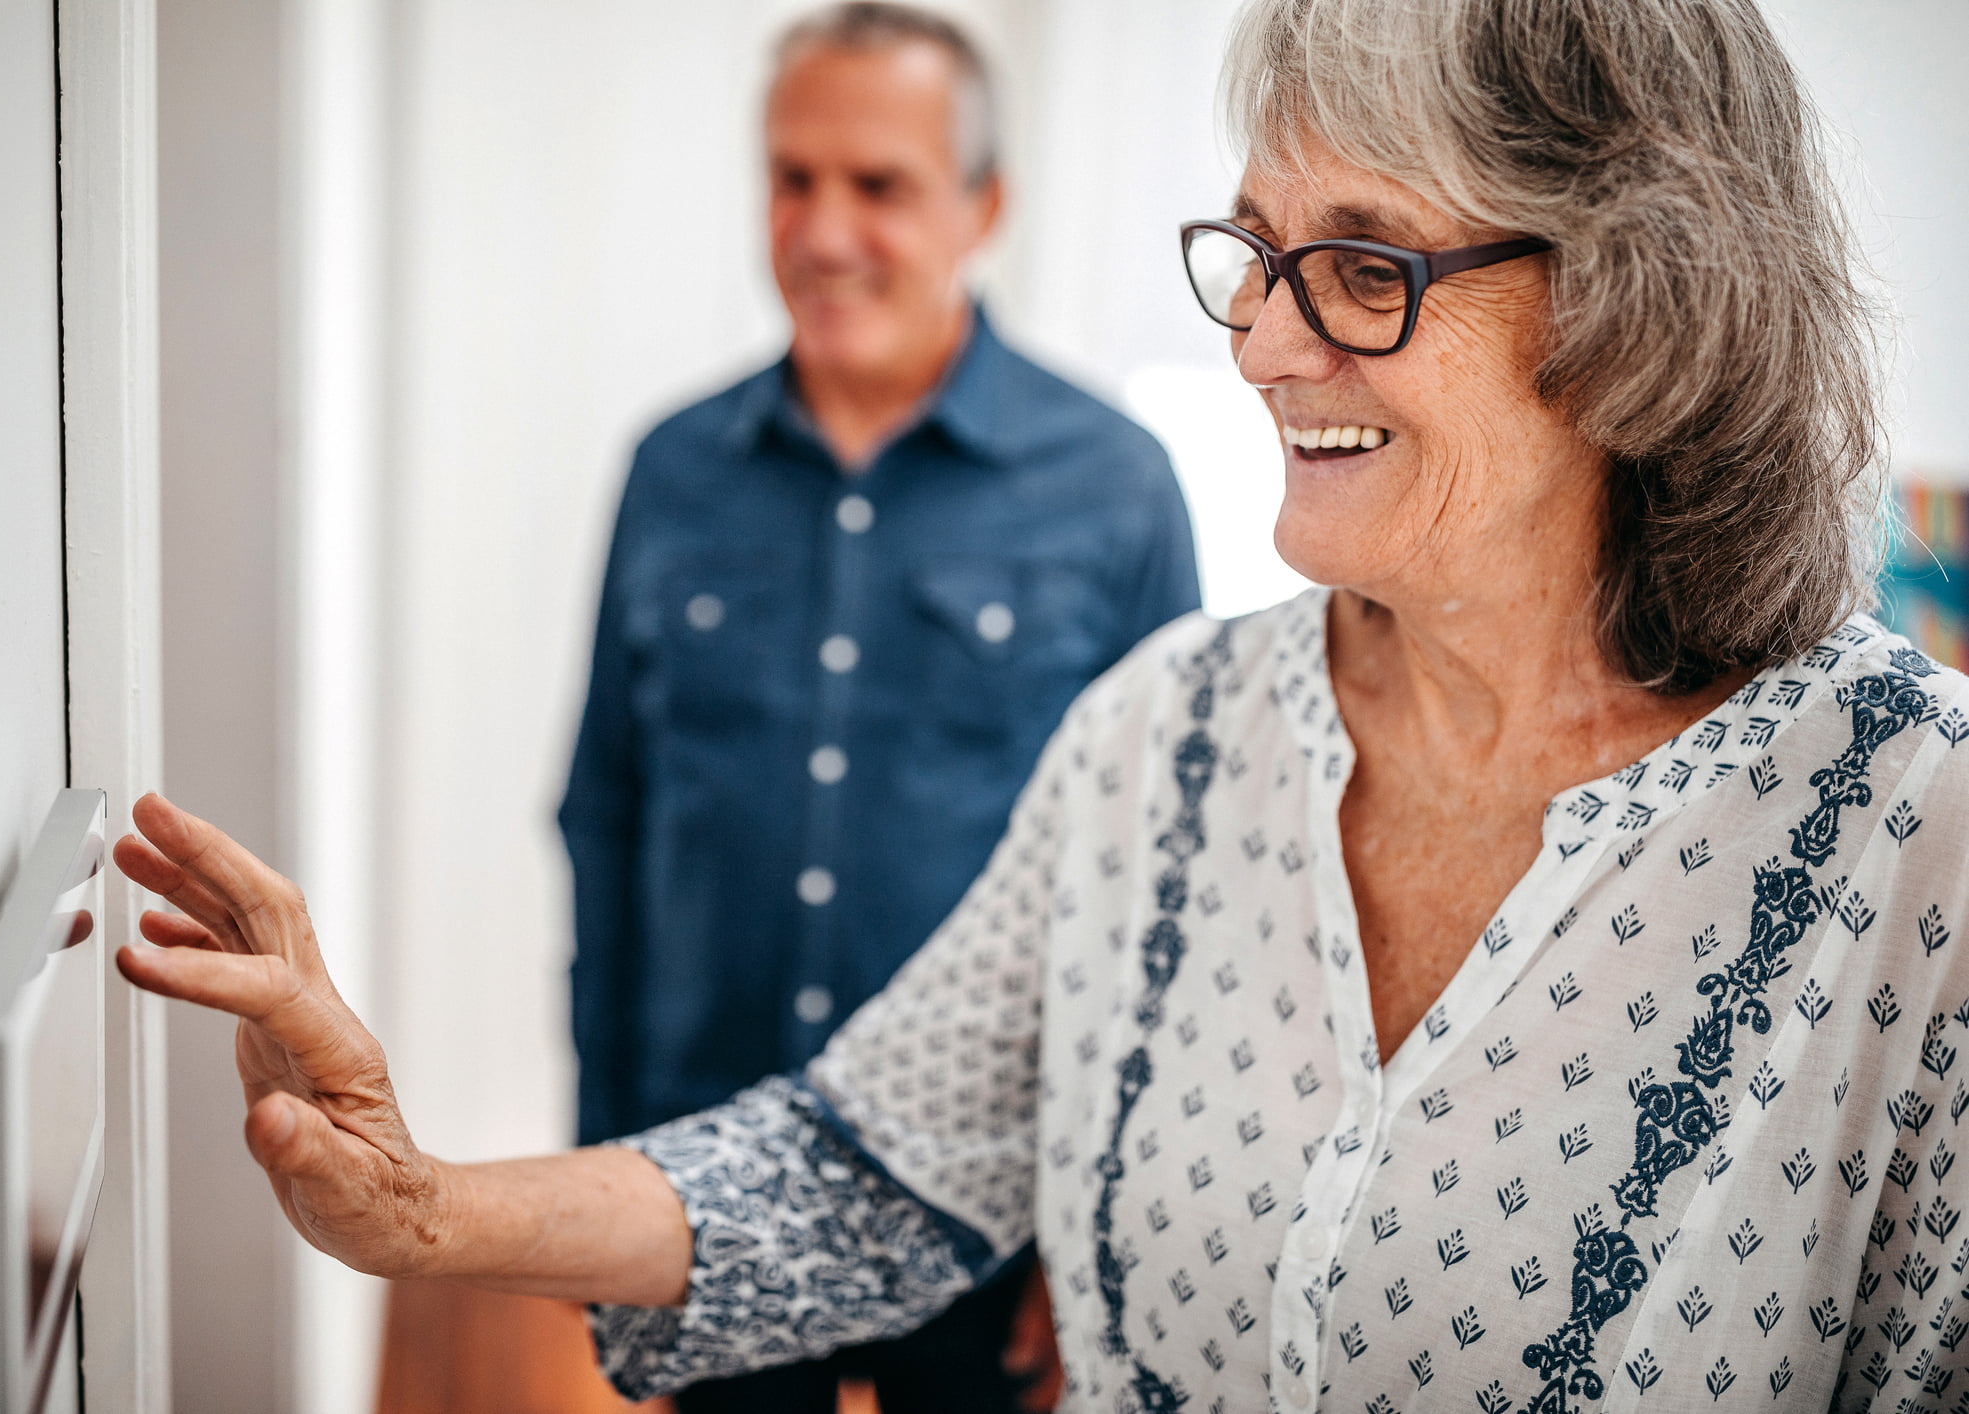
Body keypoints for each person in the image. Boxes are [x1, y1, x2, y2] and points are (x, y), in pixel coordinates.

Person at [112, 0, 1969, 1407]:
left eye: (1363, 266)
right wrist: (416, 1203)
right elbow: (855, 1163)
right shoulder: (1165, 739)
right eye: (1253, 250)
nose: (1256, 339)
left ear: (1638, 303)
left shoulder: (1917, 842)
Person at [555, 5, 1197, 1408]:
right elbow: (601, 813)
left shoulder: (1115, 486)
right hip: (709, 1176)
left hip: (986, 1199)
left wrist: (1099, 1223)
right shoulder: (671, 471)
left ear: (984, 206)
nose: (824, 228)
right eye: (792, 177)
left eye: (879, 185)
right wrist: (605, 1157)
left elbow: (1163, 883)